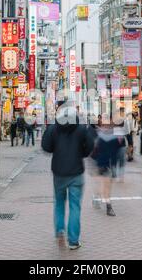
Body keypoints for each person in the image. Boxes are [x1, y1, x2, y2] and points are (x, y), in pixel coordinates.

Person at [41, 105, 95, 250]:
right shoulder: (81, 128)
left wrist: (55, 148)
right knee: (75, 206)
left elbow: (46, 146)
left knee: (59, 202)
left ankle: (59, 230)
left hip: (58, 172)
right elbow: (90, 145)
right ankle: (73, 241)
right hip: (76, 171)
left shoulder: (53, 128)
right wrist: (82, 153)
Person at [91, 123, 123, 216]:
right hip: (102, 165)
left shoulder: (115, 138)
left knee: (105, 186)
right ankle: (109, 207)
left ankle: (96, 197)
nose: (107, 127)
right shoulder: (99, 137)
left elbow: (119, 152)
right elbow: (94, 153)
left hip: (110, 165)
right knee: (106, 186)